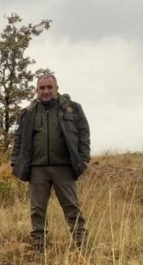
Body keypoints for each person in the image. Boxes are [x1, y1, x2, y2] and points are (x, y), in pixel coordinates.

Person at [11, 73, 90, 252]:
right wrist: (15, 162)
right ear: (36, 90)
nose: (46, 91)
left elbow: (84, 132)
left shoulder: (72, 109)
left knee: (71, 207)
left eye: (49, 87)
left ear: (56, 89)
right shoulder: (27, 113)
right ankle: (39, 247)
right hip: (37, 168)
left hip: (64, 167)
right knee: (37, 209)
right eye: (42, 88)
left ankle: (81, 246)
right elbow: (19, 138)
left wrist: (84, 158)